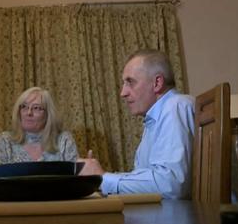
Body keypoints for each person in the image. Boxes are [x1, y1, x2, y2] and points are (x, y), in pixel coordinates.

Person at [79, 49, 195, 199]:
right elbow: (149, 179)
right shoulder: (156, 117)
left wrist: (101, 178)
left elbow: (170, 185)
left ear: (157, 83)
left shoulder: (175, 106)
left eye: (130, 82)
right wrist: (100, 178)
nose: (123, 93)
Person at [0, 87, 78, 165]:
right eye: (24, 107)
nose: (29, 113)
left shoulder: (64, 140)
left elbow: (76, 178)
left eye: (36, 108)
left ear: (48, 114)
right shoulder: (5, 141)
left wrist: (86, 171)